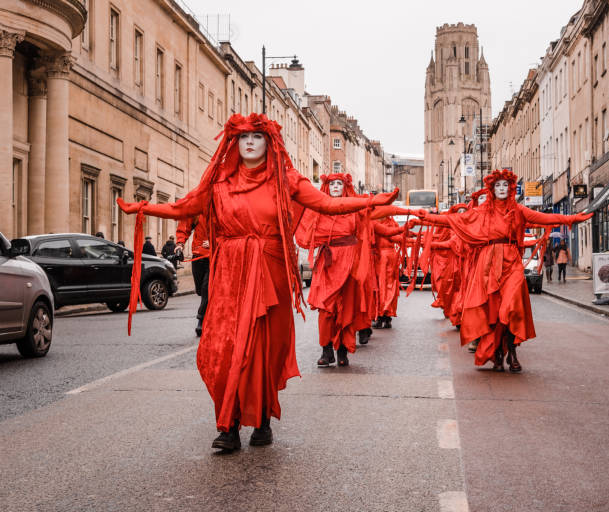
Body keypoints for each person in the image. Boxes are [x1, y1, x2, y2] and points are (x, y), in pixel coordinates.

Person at [117, 112, 398, 452]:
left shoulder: (286, 179)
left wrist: (371, 201)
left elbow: (326, 204)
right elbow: (184, 207)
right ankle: (229, 422)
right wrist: (144, 208)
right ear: (234, 143)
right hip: (230, 273)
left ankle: (261, 419)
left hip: (270, 270)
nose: (249, 142)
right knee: (222, 347)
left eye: (257, 137)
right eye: (242, 137)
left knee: (263, 348)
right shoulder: (219, 181)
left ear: (269, 142)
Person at [416, 169, 591, 373]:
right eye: (497, 185)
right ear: (492, 188)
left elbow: (543, 217)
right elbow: (456, 220)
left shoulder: (518, 210)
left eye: (505, 185)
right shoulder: (482, 211)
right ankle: (499, 353)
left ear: (510, 188)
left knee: (512, 305)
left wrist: (570, 219)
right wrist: (429, 218)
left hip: (511, 261)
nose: (501, 188)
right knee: (493, 312)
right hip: (488, 264)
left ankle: (513, 351)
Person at [295, 173, 410, 368]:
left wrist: (407, 213)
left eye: (339, 183)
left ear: (345, 186)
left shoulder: (355, 208)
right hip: (327, 263)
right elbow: (303, 229)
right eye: (332, 184)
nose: (336, 187)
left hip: (348, 263)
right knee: (325, 309)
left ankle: (342, 351)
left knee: (345, 308)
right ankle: (326, 349)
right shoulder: (317, 208)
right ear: (326, 187)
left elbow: (378, 214)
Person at [176, 215, 210, 336]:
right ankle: (208, 315)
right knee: (200, 290)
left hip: (215, 256)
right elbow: (185, 226)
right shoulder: (197, 209)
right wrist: (179, 244)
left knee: (207, 288)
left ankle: (201, 320)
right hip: (197, 255)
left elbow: (233, 230)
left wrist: (215, 241)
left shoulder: (222, 205)